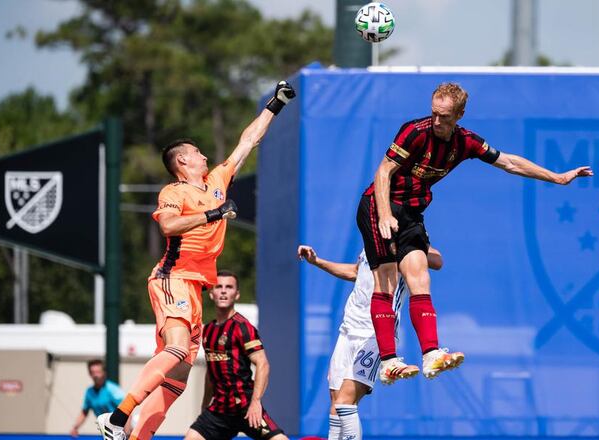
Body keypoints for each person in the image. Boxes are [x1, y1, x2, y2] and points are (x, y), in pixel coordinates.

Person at [97, 81, 296, 440]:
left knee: (178, 378)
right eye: (198, 153)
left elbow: (248, 141)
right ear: (183, 161)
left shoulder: (215, 180)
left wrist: (275, 105)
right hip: (172, 278)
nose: (204, 157)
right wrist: (213, 214)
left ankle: (137, 437)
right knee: (176, 349)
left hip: (194, 286)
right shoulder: (174, 191)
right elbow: (169, 225)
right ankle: (118, 417)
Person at [356, 82, 594, 383]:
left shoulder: (466, 142)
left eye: (444, 116)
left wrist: (557, 178)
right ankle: (389, 362)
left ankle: (431, 355)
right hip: (379, 206)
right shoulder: (414, 131)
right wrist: (384, 215)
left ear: (459, 115)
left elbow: (509, 162)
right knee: (387, 279)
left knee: (420, 277)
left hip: (412, 213)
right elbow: (384, 171)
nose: (437, 121)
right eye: (434, 113)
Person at [297, 245, 442, 440]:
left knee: (345, 402)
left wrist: (404, 246)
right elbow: (355, 272)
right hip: (348, 329)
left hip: (376, 333)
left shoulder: (405, 235)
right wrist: (317, 261)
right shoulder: (371, 240)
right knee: (336, 402)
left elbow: (437, 260)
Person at [185, 270, 288, 440]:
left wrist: (256, 402)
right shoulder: (207, 330)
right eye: (219, 287)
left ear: (237, 294)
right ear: (211, 293)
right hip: (219, 411)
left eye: (229, 287)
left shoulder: (243, 327)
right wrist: (204, 406)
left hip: (247, 408)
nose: (223, 291)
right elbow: (211, 373)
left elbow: (263, 364)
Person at [70, 360, 126, 437]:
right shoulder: (89, 392)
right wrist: (75, 427)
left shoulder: (112, 389)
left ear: (104, 373)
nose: (95, 375)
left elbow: (126, 410)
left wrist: (127, 433)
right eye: (93, 372)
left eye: (98, 372)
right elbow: (84, 412)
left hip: (120, 431)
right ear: (90, 374)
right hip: (107, 431)